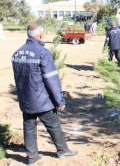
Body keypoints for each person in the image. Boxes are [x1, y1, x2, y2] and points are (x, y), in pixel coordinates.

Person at [11, 23, 78, 165]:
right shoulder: (43, 53)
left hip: (25, 99)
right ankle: (62, 151)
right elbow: (51, 79)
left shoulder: (17, 53)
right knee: (54, 125)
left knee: (29, 128)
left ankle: (31, 158)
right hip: (42, 100)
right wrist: (59, 100)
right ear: (41, 35)